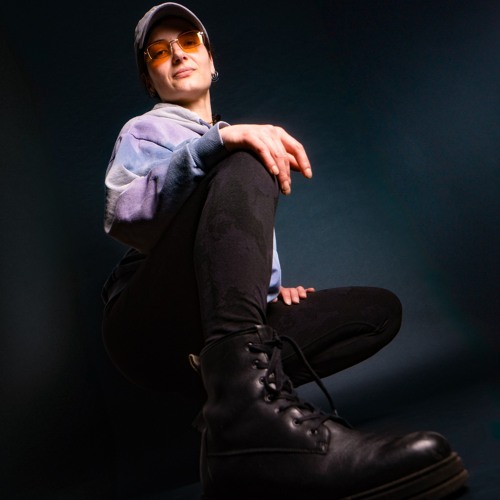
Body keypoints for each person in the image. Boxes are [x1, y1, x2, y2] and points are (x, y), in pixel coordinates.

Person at [101, 3, 468, 498]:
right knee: (246, 158)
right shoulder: (145, 131)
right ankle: (249, 419)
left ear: (211, 59)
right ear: (150, 78)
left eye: (188, 42)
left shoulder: (229, 141)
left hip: (212, 336)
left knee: (375, 312)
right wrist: (221, 142)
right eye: (159, 52)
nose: (178, 55)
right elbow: (124, 214)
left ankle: (233, 435)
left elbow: (223, 250)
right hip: (148, 323)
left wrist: (266, 292)